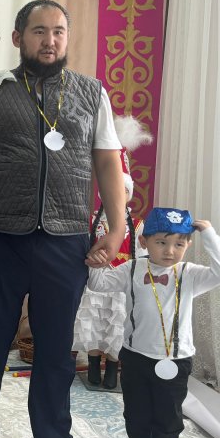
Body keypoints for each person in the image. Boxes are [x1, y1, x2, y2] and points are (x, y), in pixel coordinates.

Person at [0, 0, 125, 438]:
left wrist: (115, 228)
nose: (50, 41)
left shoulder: (92, 92)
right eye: (39, 31)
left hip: (66, 240)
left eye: (58, 32)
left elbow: (107, 160)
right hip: (0, 236)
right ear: (17, 38)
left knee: (54, 350)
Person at [87, 209, 220, 438]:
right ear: (145, 241)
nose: (170, 251)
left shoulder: (190, 274)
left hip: (175, 361)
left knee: (168, 418)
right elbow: (98, 285)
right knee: (136, 412)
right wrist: (96, 263)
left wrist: (210, 235)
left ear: (188, 245)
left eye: (179, 244)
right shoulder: (131, 269)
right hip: (135, 356)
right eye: (162, 242)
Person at [74, 116, 151, 389]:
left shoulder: (138, 225)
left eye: (124, 191)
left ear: (129, 194)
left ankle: (112, 370)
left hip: (121, 284)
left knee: (116, 326)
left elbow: (143, 255)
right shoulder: (92, 220)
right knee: (94, 324)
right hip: (96, 283)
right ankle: (93, 366)